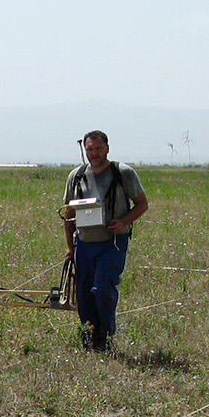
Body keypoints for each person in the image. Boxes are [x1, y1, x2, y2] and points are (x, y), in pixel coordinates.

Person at [61, 131, 147, 352]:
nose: (94, 153)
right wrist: (70, 248)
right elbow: (68, 214)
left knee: (102, 289)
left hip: (112, 242)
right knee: (83, 292)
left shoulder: (123, 173)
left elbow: (141, 204)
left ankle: (105, 336)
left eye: (98, 149)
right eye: (89, 149)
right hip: (84, 244)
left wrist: (123, 222)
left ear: (107, 148)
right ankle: (89, 336)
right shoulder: (76, 176)